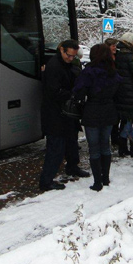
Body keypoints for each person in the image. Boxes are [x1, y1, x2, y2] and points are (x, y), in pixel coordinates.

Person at [39, 39, 89, 191]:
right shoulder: (54, 67)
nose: (70, 58)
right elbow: (54, 92)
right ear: (61, 50)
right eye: (68, 55)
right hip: (55, 114)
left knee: (71, 141)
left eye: (73, 56)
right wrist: (72, 94)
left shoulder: (65, 64)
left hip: (65, 113)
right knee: (56, 147)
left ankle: (72, 166)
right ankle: (46, 181)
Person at [72, 44, 122, 191]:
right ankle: (105, 178)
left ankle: (97, 182)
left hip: (92, 111)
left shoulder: (89, 72)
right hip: (109, 110)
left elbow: (79, 92)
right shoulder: (113, 72)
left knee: (94, 148)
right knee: (105, 144)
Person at [114, 32, 133, 158]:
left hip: (121, 93)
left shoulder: (118, 54)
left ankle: (122, 147)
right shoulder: (130, 56)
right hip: (130, 93)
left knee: (124, 121)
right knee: (132, 122)